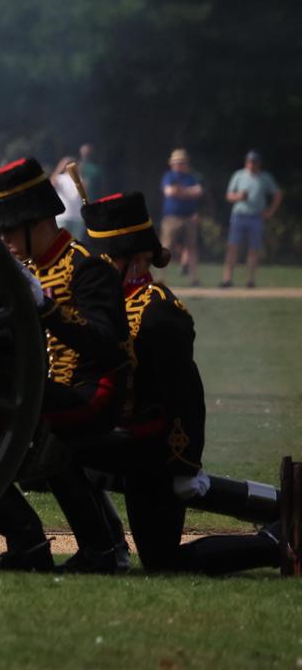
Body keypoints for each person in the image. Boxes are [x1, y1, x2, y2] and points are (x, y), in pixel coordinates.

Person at [0, 155, 132, 571]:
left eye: (6, 229)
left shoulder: (87, 269)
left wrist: (46, 307)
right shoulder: (27, 270)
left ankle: (19, 543)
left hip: (91, 395)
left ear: (35, 221)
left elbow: (106, 343)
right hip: (46, 390)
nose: (2, 239)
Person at [76, 190, 294, 574]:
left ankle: (275, 542)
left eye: (106, 257)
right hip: (114, 438)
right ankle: (105, 546)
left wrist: (184, 465)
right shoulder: (97, 303)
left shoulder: (159, 310)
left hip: (153, 451)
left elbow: (185, 397)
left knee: (162, 562)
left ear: (134, 259)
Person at [222, 151, 283, 289]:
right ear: (246, 162)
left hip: (256, 217)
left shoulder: (264, 177)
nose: (251, 164)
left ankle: (250, 280)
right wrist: (239, 197)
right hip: (239, 216)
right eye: (249, 161)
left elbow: (277, 194)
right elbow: (229, 196)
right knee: (232, 248)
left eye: (254, 162)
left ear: (259, 163)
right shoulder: (239, 175)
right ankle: (227, 279)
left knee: (253, 249)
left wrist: (270, 211)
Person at [159, 149, 205, 284]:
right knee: (166, 247)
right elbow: (169, 192)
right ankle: (161, 277)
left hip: (189, 218)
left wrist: (180, 191)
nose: (179, 165)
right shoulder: (168, 176)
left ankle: (194, 278)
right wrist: (188, 192)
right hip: (171, 218)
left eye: (182, 162)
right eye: (177, 162)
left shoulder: (191, 177)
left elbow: (198, 192)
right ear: (172, 164)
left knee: (191, 247)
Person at [52, 155, 84, 238]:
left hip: (77, 217)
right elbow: (51, 185)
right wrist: (59, 167)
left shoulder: (80, 179)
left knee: (77, 242)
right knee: (60, 240)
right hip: (63, 216)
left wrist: (79, 172)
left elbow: (84, 192)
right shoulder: (59, 178)